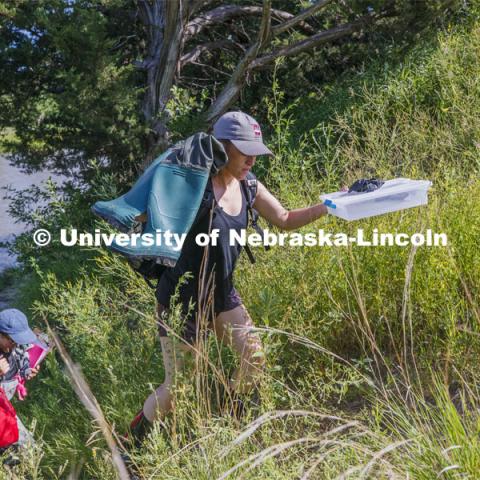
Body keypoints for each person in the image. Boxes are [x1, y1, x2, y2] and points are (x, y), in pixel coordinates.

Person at [128, 111, 329, 444]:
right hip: (181, 298)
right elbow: (146, 210)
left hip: (223, 296)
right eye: (244, 150)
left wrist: (327, 206)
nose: (251, 158)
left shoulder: (250, 185)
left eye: (255, 151)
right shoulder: (194, 185)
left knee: (255, 359)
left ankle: (230, 424)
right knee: (178, 387)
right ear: (222, 147)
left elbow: (285, 218)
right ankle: (133, 438)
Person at [0, 309, 42, 460]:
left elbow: (23, 357)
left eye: (19, 340)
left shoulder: (16, 346)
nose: (15, 344)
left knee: (29, 451)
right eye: (12, 340)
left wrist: (27, 372)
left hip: (4, 408)